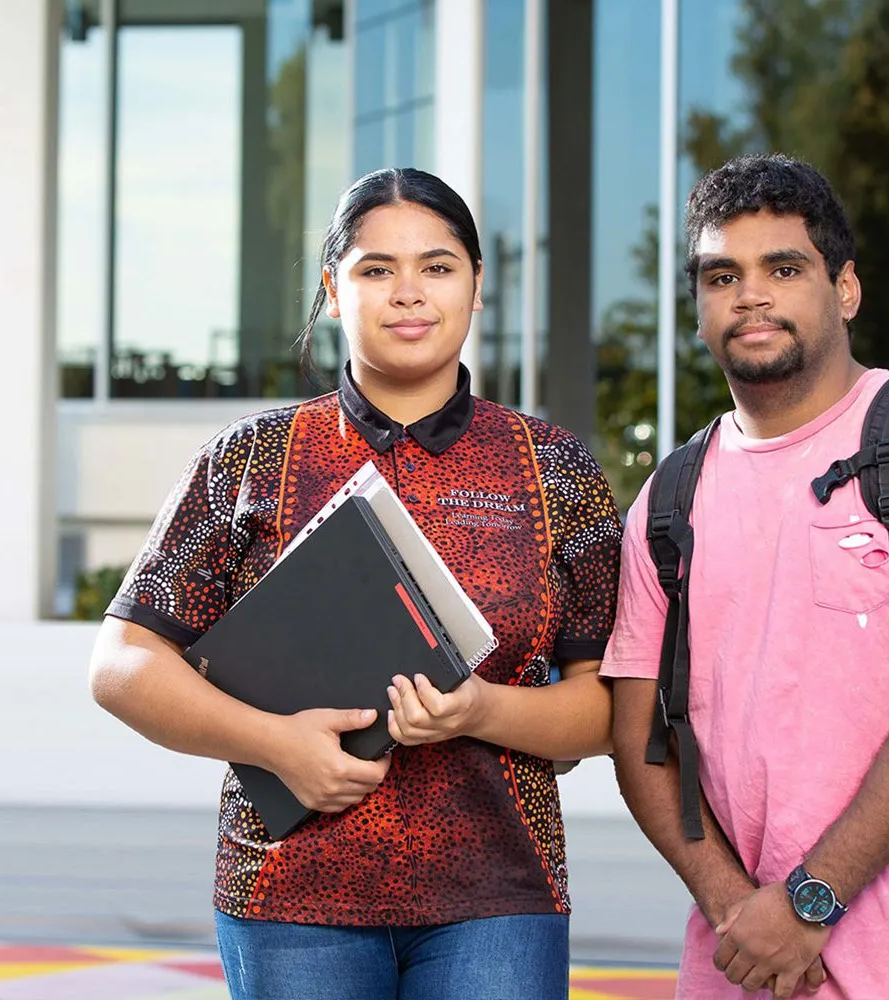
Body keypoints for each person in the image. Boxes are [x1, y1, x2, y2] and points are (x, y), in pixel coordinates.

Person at [88, 167, 622, 1000]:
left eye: (437, 266)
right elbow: (122, 665)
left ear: (477, 287)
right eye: (377, 269)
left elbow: (609, 707)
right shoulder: (249, 458)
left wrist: (481, 710)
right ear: (335, 291)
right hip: (289, 898)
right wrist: (274, 745)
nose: (409, 292)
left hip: (499, 897)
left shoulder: (552, 466)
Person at [602, 153, 889, 1000]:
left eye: (784, 269)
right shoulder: (670, 497)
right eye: (722, 276)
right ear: (698, 308)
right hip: (739, 965)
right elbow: (638, 738)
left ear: (845, 289)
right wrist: (738, 911)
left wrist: (809, 901)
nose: (750, 296)